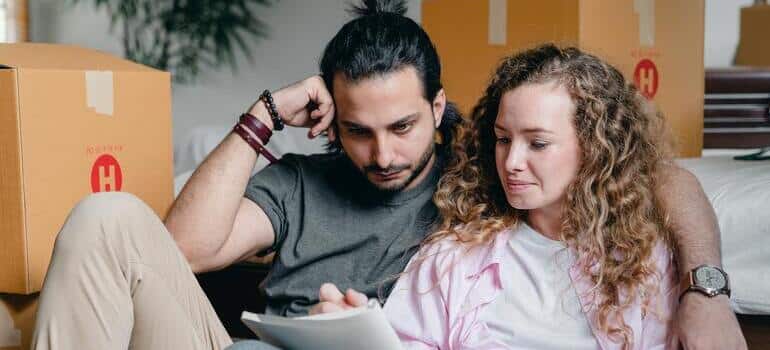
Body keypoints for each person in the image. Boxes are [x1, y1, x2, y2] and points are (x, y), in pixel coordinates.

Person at [31, 1, 745, 349]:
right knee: (106, 217)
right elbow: (180, 251)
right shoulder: (303, 184)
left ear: (439, 108)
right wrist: (264, 114)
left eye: (403, 127)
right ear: (331, 120)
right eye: (358, 131)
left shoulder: (489, 164)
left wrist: (706, 287)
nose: (383, 155)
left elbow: (657, 177)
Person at [385, 44, 679, 349]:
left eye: (537, 143)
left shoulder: (644, 262)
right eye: (503, 139)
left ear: (595, 148)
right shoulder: (451, 257)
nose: (511, 162)